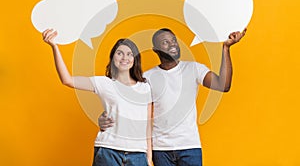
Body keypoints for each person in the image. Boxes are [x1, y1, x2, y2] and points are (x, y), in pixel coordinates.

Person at [99, 27, 246, 166]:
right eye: (165, 42)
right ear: (155, 50)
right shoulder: (147, 78)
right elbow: (126, 106)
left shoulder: (194, 69)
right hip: (160, 149)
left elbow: (223, 85)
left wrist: (226, 48)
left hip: (189, 146)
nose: (172, 44)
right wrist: (104, 118)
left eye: (174, 40)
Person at [42, 29, 152, 166]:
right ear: (113, 58)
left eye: (130, 54)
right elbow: (67, 80)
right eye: (120, 53)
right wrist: (54, 46)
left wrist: (149, 156)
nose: (125, 58)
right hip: (108, 151)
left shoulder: (145, 87)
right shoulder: (104, 83)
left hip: (138, 154)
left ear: (135, 59)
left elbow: (147, 124)